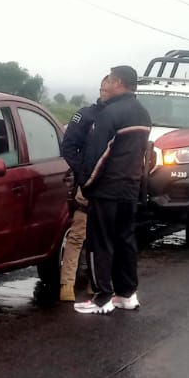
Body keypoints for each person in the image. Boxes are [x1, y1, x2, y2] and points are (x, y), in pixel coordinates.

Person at [76, 65, 153, 314]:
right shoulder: (143, 113)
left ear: (118, 81)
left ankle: (102, 297)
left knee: (101, 242)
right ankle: (127, 294)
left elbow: (98, 154)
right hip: (130, 188)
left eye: (108, 78)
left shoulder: (111, 113)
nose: (106, 82)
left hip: (107, 189)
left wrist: (86, 183)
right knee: (125, 240)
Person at [54, 77, 108, 302]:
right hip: (87, 185)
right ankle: (67, 283)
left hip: (110, 185)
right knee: (78, 234)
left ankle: (93, 282)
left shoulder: (118, 116)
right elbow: (68, 148)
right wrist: (84, 174)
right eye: (104, 89)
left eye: (109, 90)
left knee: (101, 237)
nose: (106, 93)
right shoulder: (86, 115)